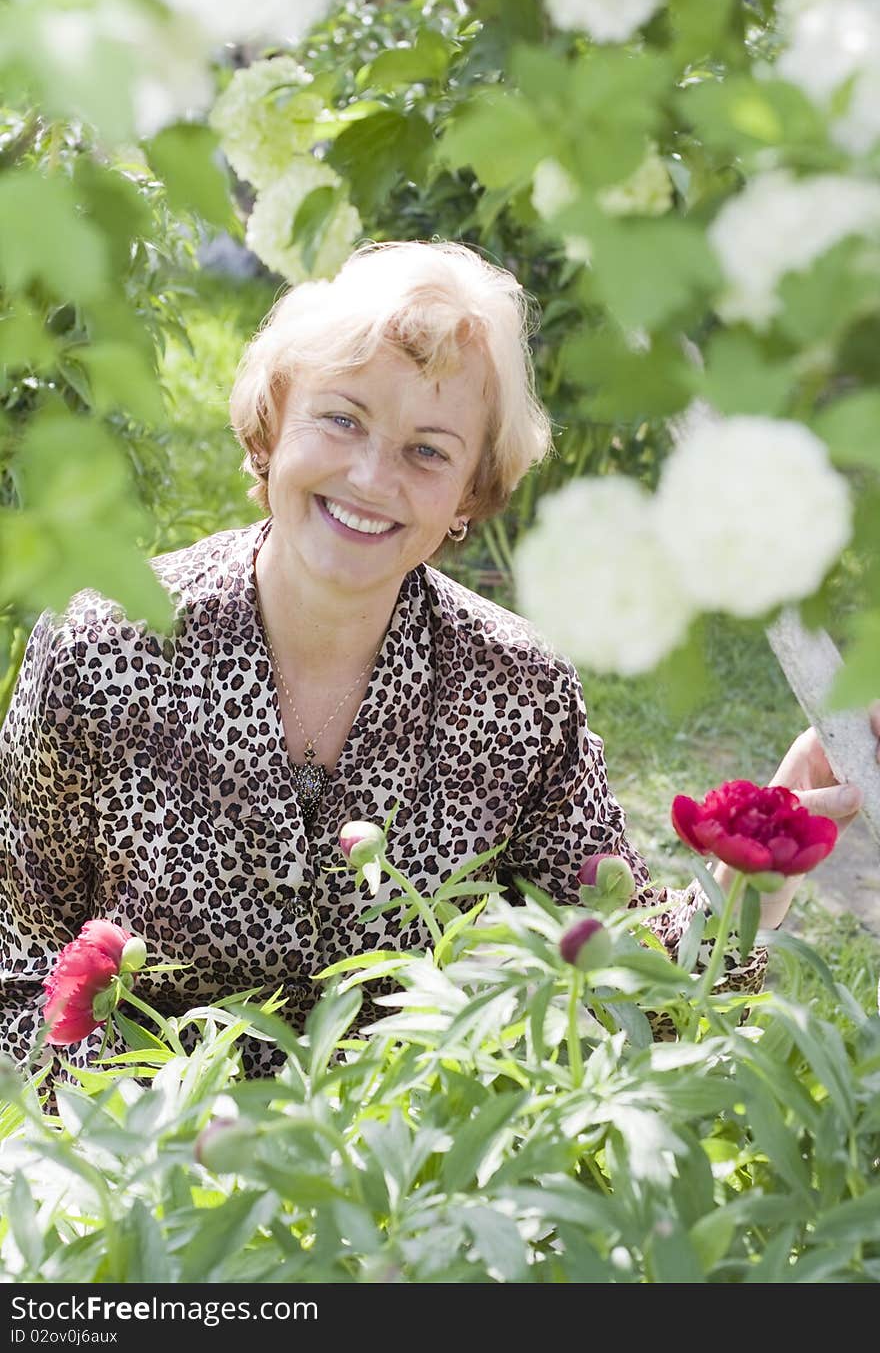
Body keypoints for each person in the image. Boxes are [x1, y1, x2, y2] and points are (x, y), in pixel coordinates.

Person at [1, 240, 877, 1080]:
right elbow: (15, 962)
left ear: (471, 495)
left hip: (407, 1195)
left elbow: (626, 988)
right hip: (144, 1180)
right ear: (271, 430)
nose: (374, 478)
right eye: (342, 420)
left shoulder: (517, 695)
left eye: (428, 451)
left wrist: (752, 870)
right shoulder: (107, 651)